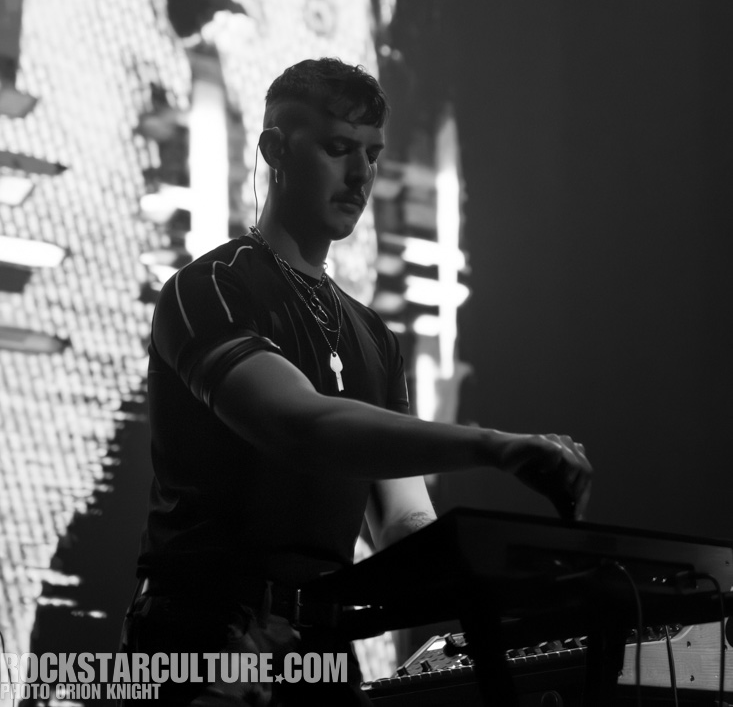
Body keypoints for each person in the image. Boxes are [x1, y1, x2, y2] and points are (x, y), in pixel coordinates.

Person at [122, 58, 592, 706]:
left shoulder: (372, 334)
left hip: (318, 642)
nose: (361, 173)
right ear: (274, 151)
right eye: (338, 149)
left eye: (371, 154)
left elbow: (402, 522)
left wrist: (531, 618)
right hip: (203, 637)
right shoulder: (211, 288)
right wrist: (493, 446)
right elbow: (299, 425)